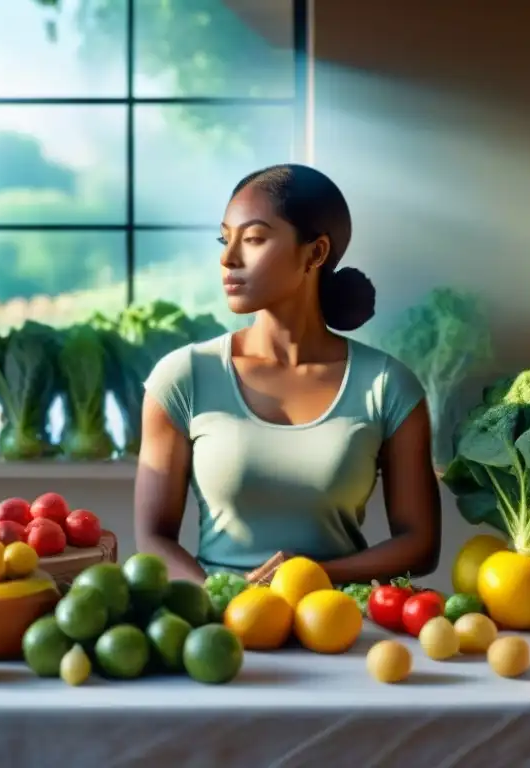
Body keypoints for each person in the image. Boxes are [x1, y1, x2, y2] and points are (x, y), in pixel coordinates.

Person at [133, 163, 442, 585]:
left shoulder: (387, 386)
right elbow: (152, 539)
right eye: (225, 239)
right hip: (222, 635)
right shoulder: (183, 377)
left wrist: (311, 576)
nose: (228, 258)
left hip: (342, 627)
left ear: (315, 253)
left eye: (254, 238)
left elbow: (420, 545)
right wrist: (223, 603)